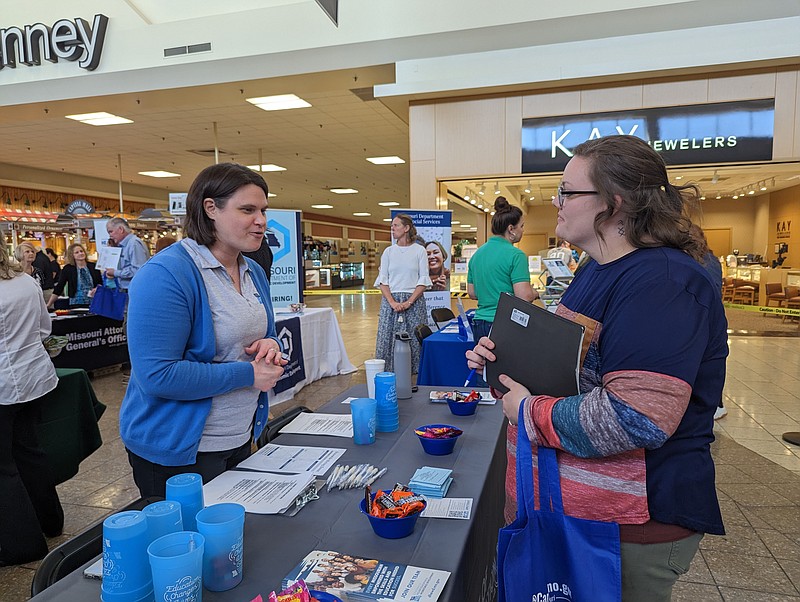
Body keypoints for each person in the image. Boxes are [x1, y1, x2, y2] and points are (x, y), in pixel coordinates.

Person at [466, 135, 727, 602]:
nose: (556, 202)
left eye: (567, 192)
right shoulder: (596, 268)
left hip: (625, 529)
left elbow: (637, 417)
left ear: (614, 203)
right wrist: (504, 366)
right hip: (573, 513)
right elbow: (568, 373)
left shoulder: (663, 283)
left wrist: (528, 410)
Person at [119, 162, 286, 498]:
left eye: (264, 210)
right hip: (179, 450)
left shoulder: (251, 268)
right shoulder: (166, 274)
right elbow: (158, 375)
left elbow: (255, 332)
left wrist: (268, 342)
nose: (261, 221)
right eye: (248, 210)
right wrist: (248, 374)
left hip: (239, 436)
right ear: (211, 208)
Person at [0, 243, 64, 566]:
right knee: (30, 452)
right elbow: (44, 328)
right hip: (32, 379)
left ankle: (22, 543)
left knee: (3, 467)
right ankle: (50, 521)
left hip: (4, 385)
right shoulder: (25, 281)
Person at [467, 196, 538, 340]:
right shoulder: (516, 255)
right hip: (505, 323)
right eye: (522, 226)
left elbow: (472, 293)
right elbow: (524, 296)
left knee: (483, 362)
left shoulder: (477, 255)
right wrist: (535, 293)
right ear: (511, 228)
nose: (523, 231)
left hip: (480, 323)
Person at [373, 213, 431, 372]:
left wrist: (409, 301)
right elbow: (382, 280)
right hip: (391, 302)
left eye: (396, 225)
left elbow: (423, 280)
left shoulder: (419, 251)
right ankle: (388, 374)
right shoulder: (388, 252)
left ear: (406, 228)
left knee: (414, 339)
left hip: (414, 301)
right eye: (392, 225)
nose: (392, 228)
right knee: (388, 338)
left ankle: (415, 374)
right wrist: (392, 302)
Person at [47, 243, 102, 308]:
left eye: (81, 251)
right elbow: (59, 287)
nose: (80, 253)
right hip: (76, 304)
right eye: (77, 252)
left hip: (94, 302)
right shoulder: (68, 269)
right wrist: (49, 304)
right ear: (72, 255)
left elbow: (100, 283)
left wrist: (97, 288)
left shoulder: (93, 266)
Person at [104, 217, 150, 291]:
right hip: (126, 290)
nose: (110, 235)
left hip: (134, 291)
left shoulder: (134, 244)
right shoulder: (124, 245)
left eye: (111, 231)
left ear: (121, 229)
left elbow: (138, 270)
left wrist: (115, 273)